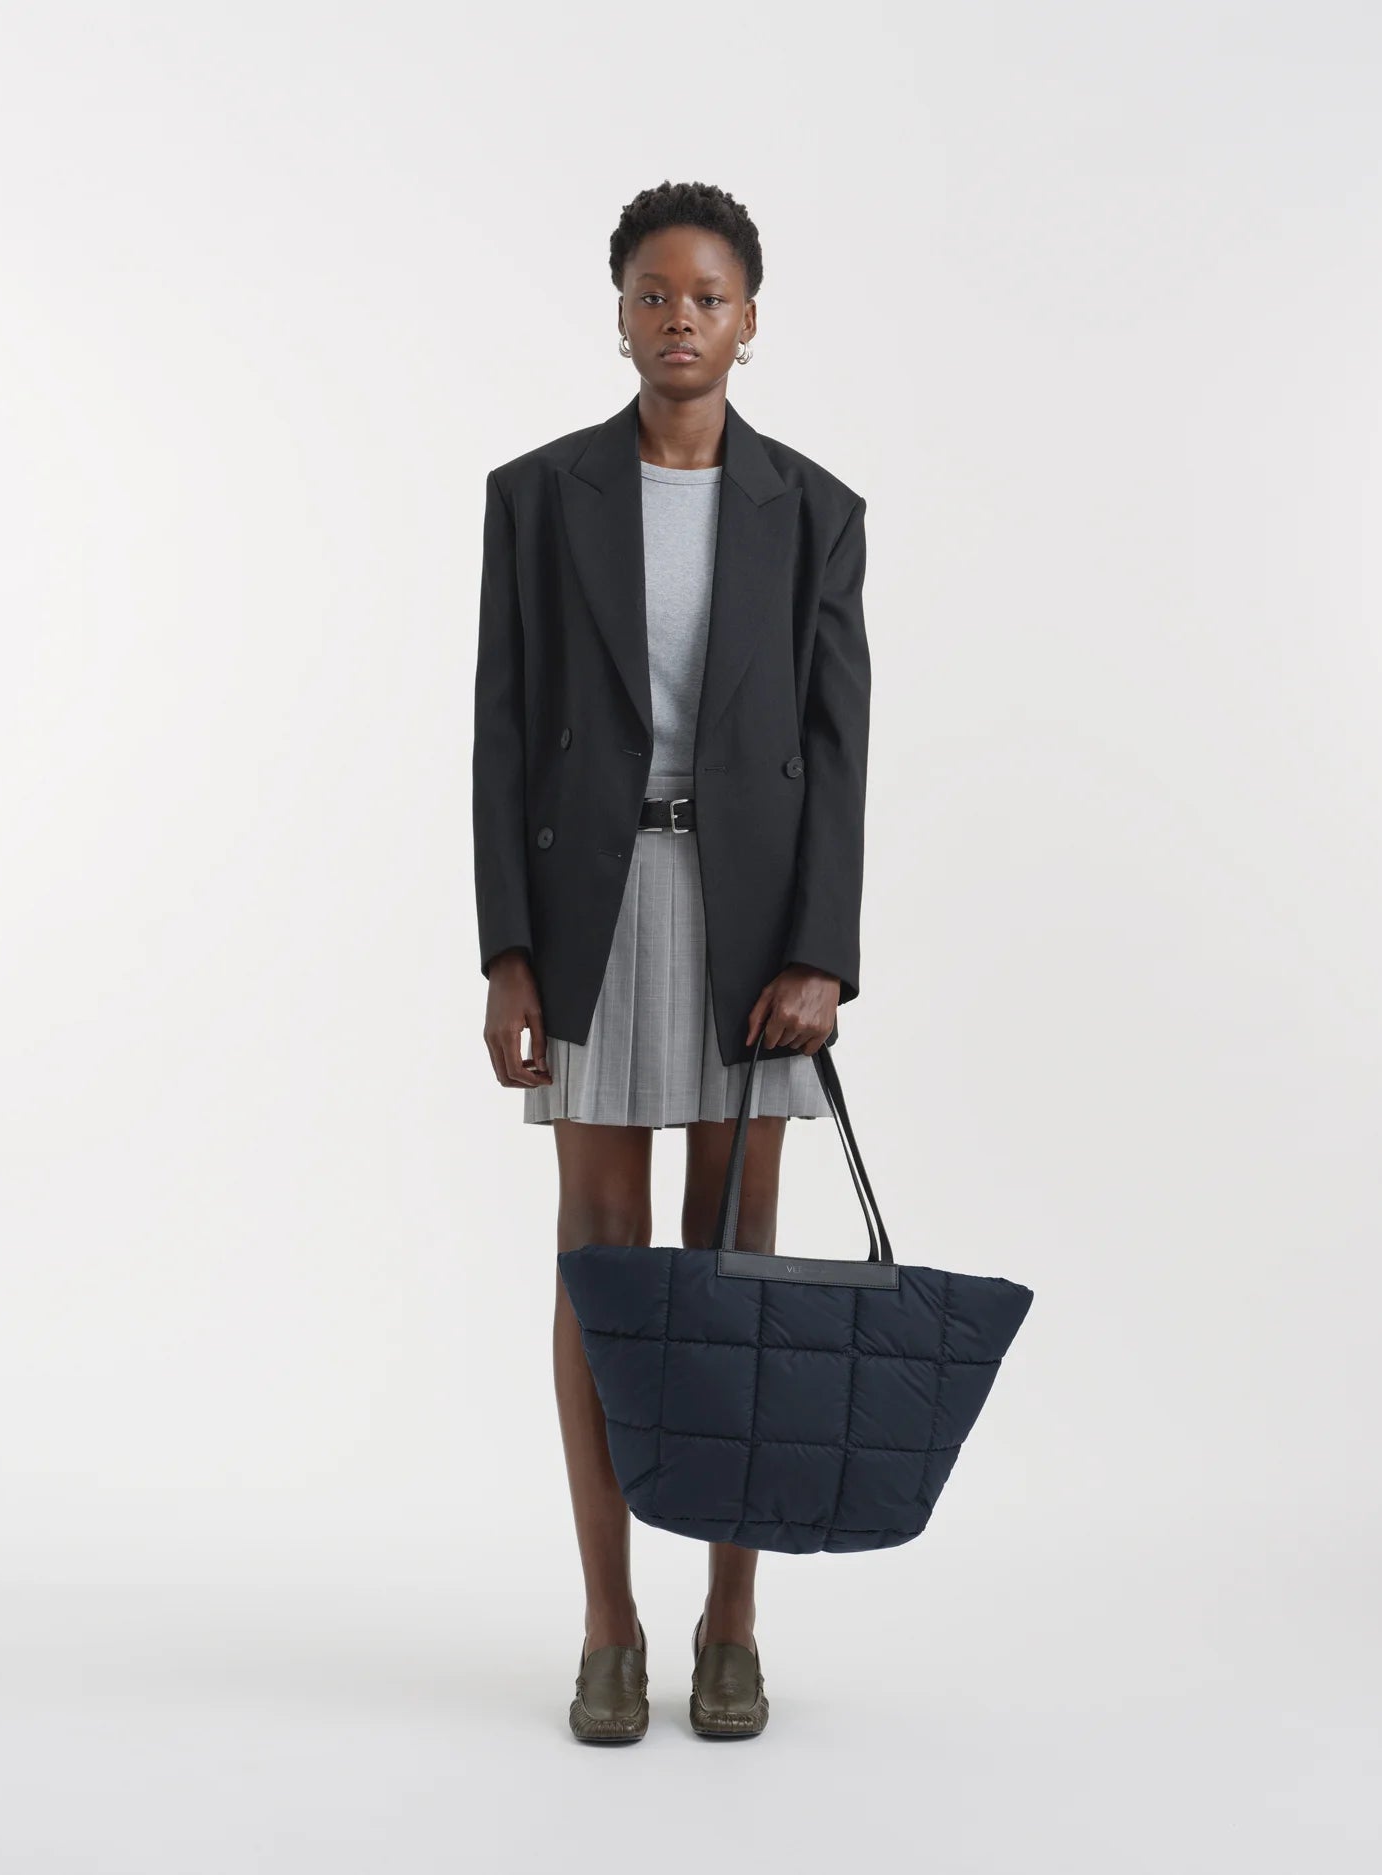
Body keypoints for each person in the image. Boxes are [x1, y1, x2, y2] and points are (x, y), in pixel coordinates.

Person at [471, 180, 872, 1742]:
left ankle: (731, 1618)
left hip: (753, 923)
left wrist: (822, 956)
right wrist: (507, 948)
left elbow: (839, 752)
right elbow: (501, 729)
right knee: (601, 1263)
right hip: (591, 909)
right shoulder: (537, 494)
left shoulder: (817, 511)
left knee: (735, 1273)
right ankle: (608, 1624)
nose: (681, 317)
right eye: (654, 292)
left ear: (750, 322)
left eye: (709, 296)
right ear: (621, 310)